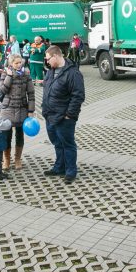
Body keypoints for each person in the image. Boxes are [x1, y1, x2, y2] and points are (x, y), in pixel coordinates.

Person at [41, 46, 85, 184]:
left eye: (48, 59)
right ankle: (59, 167)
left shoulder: (73, 73)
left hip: (64, 118)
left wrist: (69, 115)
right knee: (57, 143)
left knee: (68, 144)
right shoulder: (50, 72)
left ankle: (70, 171)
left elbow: (78, 96)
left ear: (56, 56)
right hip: (50, 116)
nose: (47, 62)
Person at [0, 54, 35, 170]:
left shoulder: (26, 74)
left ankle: (17, 159)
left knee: (19, 135)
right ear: (11, 64)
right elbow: (2, 90)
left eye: (20, 62)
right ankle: (7, 160)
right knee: (6, 135)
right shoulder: (5, 73)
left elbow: (31, 93)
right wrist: (9, 76)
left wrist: (31, 110)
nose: (19, 65)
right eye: (16, 63)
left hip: (22, 107)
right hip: (8, 108)